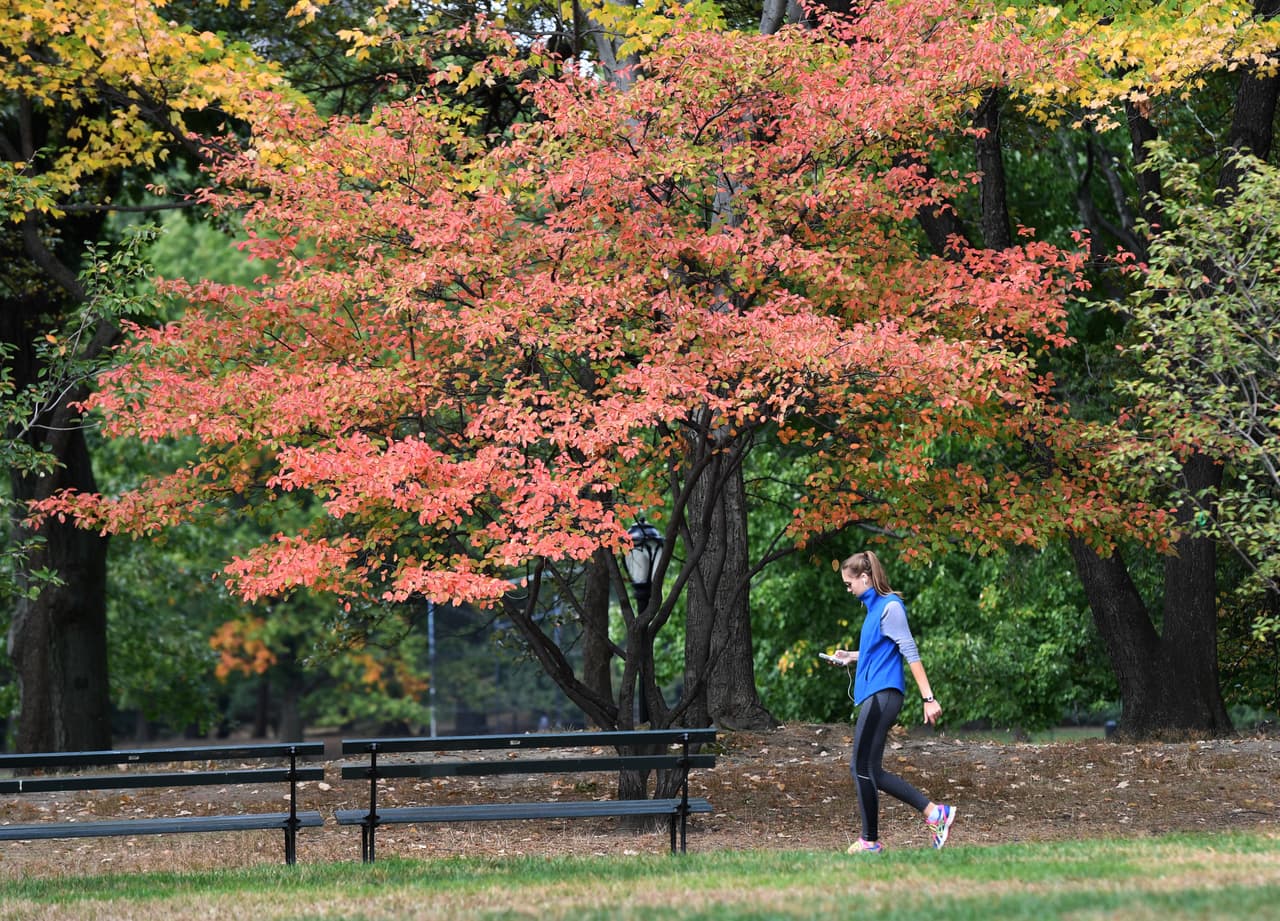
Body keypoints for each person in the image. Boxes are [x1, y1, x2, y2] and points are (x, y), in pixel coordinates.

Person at [824, 550, 956, 853]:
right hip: (877, 693)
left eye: (849, 583)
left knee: (860, 766)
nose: (848, 589)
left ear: (865, 577)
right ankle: (936, 813)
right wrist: (850, 657)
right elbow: (880, 651)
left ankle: (869, 841)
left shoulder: (890, 607)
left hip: (884, 695)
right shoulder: (873, 612)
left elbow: (910, 651)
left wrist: (928, 698)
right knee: (872, 771)